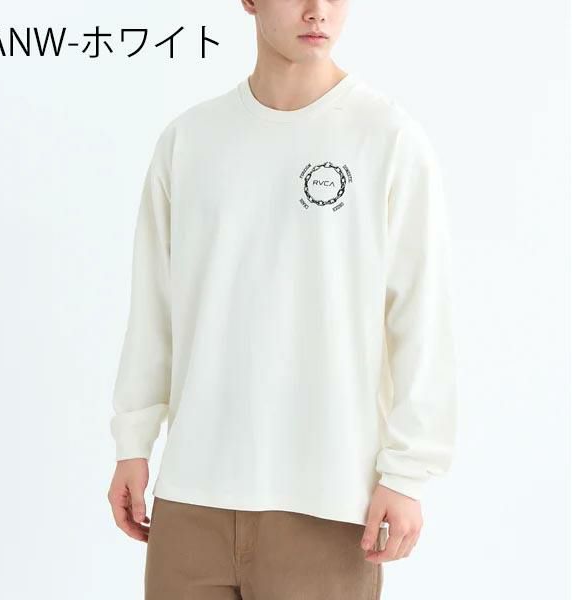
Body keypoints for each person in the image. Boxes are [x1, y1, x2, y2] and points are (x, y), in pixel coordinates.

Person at [107, 1, 458, 598]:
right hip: (191, 498)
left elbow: (420, 320)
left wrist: (407, 473)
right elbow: (154, 307)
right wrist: (133, 443)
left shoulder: (388, 139)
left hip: (327, 504)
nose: (318, 10)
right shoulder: (190, 141)